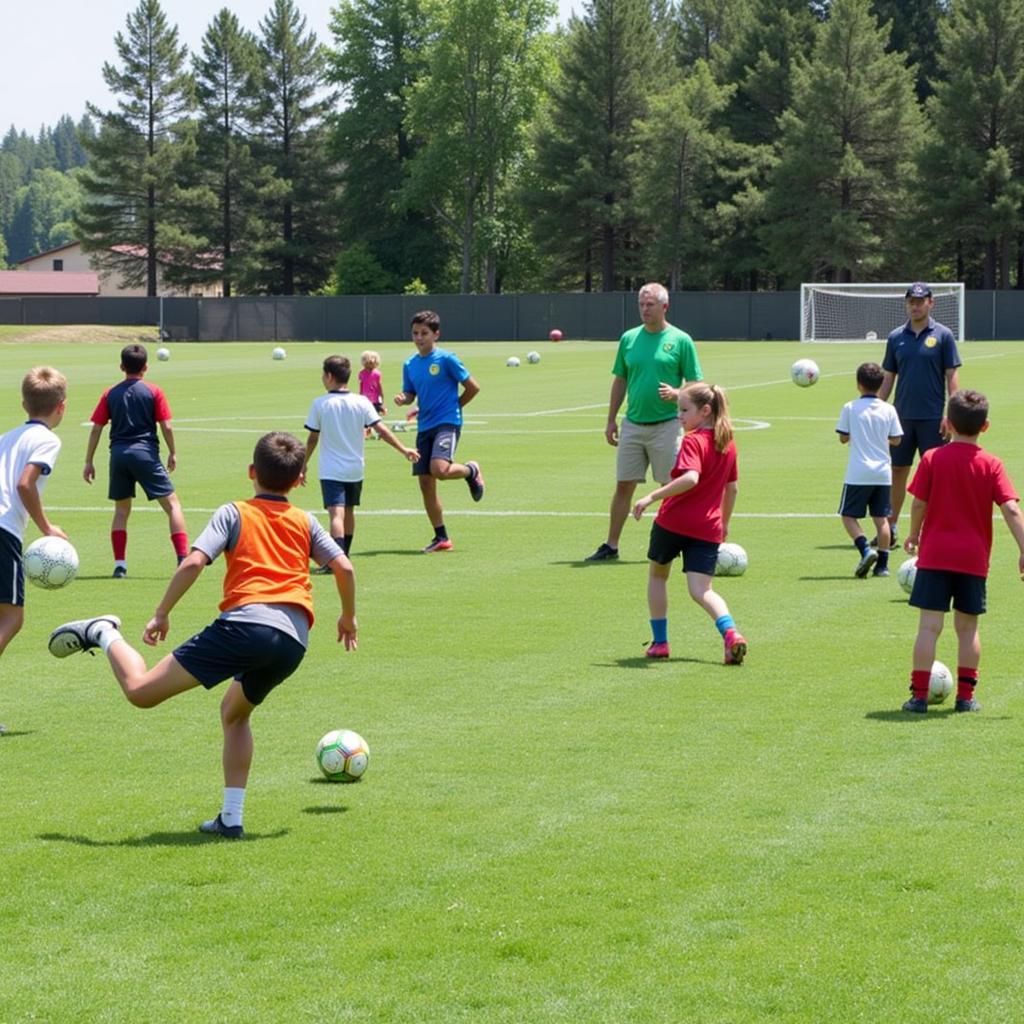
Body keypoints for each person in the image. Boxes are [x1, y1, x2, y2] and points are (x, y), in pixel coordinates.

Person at [48, 432, 358, 838]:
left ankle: (103, 632)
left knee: (141, 691)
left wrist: (161, 613)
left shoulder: (234, 512)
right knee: (235, 712)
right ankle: (231, 819)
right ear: (300, 479)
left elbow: (195, 562)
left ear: (251, 472)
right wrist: (348, 619)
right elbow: (345, 568)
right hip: (292, 641)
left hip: (246, 626)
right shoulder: (306, 520)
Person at [899, 390, 1024, 714]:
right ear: (986, 426)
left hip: (936, 555)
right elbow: (1011, 510)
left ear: (946, 423)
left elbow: (918, 502)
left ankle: (919, 697)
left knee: (929, 627)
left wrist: (914, 534)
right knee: (968, 629)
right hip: (973, 559)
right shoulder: (991, 464)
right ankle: (966, 698)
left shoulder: (932, 459)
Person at [631, 382, 747, 666]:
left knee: (658, 576)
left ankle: (660, 643)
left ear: (705, 411)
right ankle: (730, 633)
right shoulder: (727, 443)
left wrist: (652, 496)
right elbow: (732, 489)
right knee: (702, 591)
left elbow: (691, 478)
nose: (679, 416)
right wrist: (725, 523)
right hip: (708, 527)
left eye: (684, 410)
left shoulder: (693, 441)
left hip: (673, 522)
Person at [586, 282, 702, 562]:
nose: (644, 309)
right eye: (641, 304)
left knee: (671, 485)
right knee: (623, 485)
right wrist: (611, 419)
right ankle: (611, 545)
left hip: (667, 425)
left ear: (665, 306)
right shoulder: (628, 339)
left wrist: (678, 394)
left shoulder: (681, 340)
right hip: (633, 424)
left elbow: (696, 383)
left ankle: (676, 544)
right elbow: (620, 379)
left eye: (650, 304)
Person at [0, 367, 68, 736]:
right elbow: (25, 483)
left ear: (24, 403)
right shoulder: (46, 440)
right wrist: (47, 528)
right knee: (11, 619)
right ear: (62, 407)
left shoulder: (6, 436)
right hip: (3, 530)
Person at [83, 343, 188, 577]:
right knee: (173, 506)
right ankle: (182, 559)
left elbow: (96, 429)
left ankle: (120, 565)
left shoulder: (110, 393)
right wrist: (173, 451)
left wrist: (88, 460)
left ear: (122, 366)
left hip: (118, 456)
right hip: (145, 454)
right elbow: (166, 426)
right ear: (146, 367)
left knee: (121, 510)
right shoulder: (153, 391)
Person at [302, 354, 419, 562]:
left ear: (329, 376)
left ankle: (334, 561)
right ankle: (344, 555)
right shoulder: (362, 401)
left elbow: (313, 438)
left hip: (331, 469)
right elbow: (382, 430)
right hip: (355, 468)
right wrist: (404, 449)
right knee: (349, 512)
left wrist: (303, 465)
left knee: (335, 514)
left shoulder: (320, 404)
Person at [877, 282, 961, 550]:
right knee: (897, 470)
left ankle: (932, 528)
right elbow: (888, 378)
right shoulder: (895, 337)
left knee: (935, 475)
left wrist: (951, 414)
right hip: (901, 419)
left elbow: (952, 377)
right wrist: (876, 409)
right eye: (911, 301)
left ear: (930, 303)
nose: (915, 305)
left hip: (933, 419)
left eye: (920, 301)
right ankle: (890, 527)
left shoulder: (944, 335)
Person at [393, 310, 485, 552]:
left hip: (447, 422)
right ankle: (441, 537)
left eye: (424, 333)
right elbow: (412, 392)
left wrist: (454, 407)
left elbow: (473, 387)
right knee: (426, 482)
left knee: (439, 469)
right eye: (415, 333)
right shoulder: (410, 364)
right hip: (425, 426)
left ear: (436, 334)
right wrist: (405, 399)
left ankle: (471, 471)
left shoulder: (446, 359)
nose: (419, 338)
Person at [836, 362, 903, 578]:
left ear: (859, 384)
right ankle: (882, 566)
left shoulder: (850, 407)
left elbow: (843, 437)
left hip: (858, 472)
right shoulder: (889, 409)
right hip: (882, 473)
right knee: (881, 519)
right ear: (881, 383)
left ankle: (865, 549)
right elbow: (897, 439)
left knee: (848, 516)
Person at [358, 350, 387, 438]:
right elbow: (361, 386)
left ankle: (380, 432)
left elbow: (379, 386)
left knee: (375, 416)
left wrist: (382, 399)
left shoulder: (377, 374)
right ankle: (366, 431)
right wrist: (360, 397)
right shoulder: (361, 373)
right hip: (365, 398)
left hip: (375, 399)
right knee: (365, 416)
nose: (370, 364)